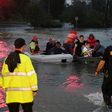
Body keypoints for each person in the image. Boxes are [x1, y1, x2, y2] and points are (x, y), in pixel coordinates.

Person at [1, 38, 38, 112]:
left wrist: (4, 87)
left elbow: (2, 76)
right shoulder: (26, 59)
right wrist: (34, 89)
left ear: (14, 46)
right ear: (23, 46)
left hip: (11, 95)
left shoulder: (7, 59)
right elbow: (32, 75)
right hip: (25, 95)